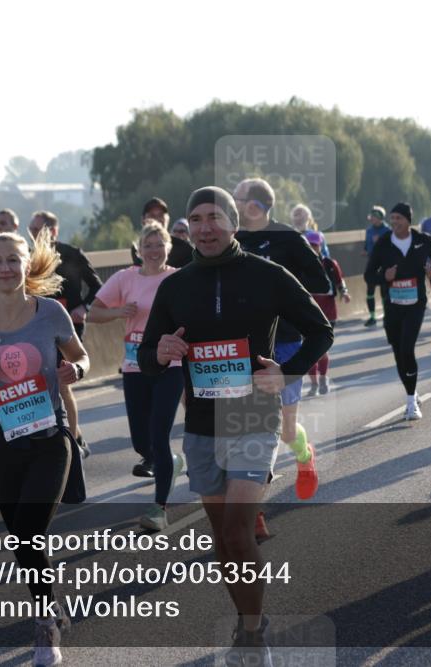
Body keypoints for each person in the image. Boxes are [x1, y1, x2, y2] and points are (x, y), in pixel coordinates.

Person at [138, 186, 332, 655]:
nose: (205, 228)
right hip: (202, 421)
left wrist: (285, 372)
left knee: (238, 531)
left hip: (252, 413)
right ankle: (252, 618)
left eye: (214, 217)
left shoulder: (267, 275)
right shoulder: (175, 286)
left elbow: (320, 330)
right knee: (222, 539)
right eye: (197, 219)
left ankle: (251, 631)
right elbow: (147, 355)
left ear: (233, 222)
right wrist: (160, 354)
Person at [0, 230, 90, 666]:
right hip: (2, 438)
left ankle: (45, 626)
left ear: (26, 265)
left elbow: (82, 356)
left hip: (50, 436)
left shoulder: (49, 312)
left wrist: (76, 372)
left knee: (30, 530)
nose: (6, 268)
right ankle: (50, 606)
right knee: (22, 539)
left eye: (13, 259)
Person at [234, 178, 331, 514]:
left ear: (255, 205)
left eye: (238, 199)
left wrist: (281, 286)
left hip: (287, 342)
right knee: (255, 427)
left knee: (286, 430)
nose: (232, 204)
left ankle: (305, 457)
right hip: (246, 345)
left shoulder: (288, 238)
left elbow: (321, 281)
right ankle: (254, 512)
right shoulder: (232, 239)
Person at [87, 222, 185, 530]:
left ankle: (159, 508)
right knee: (142, 442)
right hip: (135, 365)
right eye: (148, 245)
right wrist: (118, 312)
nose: (154, 250)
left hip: (170, 365)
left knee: (159, 432)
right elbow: (93, 312)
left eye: (159, 244)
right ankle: (170, 460)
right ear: (139, 250)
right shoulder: (124, 278)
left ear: (168, 247)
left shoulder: (177, 279)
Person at [29, 211, 101, 458]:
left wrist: (84, 306)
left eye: (38, 229)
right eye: (31, 229)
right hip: (38, 329)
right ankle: (72, 435)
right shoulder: (29, 259)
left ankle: (73, 440)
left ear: (53, 231)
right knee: (46, 385)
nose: (34, 234)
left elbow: (96, 286)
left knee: (62, 384)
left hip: (68, 326)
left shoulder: (72, 254)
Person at [365, 202, 431, 420]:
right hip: (392, 307)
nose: (394, 222)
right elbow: (368, 275)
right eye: (392, 219)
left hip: (416, 304)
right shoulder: (383, 243)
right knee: (398, 352)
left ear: (408, 220)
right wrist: (384, 277)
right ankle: (413, 390)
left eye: (399, 218)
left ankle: (411, 402)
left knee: (407, 348)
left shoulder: (422, 240)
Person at [304, 229, 350, 395]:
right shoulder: (300, 264)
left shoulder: (330, 264)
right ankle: (314, 384)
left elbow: (339, 281)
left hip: (328, 310)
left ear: (320, 245)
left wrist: (344, 293)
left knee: (322, 349)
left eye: (315, 245)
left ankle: (323, 379)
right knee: (308, 350)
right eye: (309, 244)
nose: (312, 247)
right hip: (307, 310)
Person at [132, 197, 193, 269]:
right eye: (152, 216)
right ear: (143, 220)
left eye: (161, 215)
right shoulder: (136, 247)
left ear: (168, 219)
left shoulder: (183, 248)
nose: (157, 219)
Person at [362, 206, 389, 326]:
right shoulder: (369, 230)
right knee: (370, 290)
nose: (371, 219)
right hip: (372, 263)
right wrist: (365, 250)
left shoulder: (387, 230)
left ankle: (386, 315)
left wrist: (380, 242)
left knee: (384, 291)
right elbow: (366, 244)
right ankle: (372, 317)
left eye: (374, 217)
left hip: (384, 264)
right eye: (371, 217)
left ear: (380, 217)